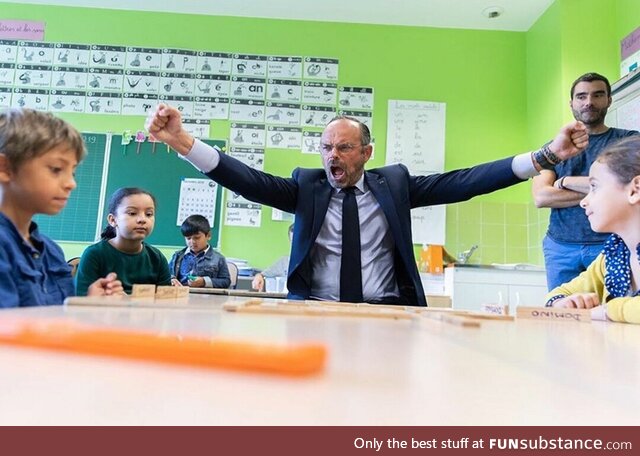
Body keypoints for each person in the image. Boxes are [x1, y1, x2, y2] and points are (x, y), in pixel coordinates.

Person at [146, 103, 588, 306]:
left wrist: (544, 157)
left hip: (389, 311)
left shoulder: (394, 185)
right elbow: (248, 181)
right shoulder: (307, 186)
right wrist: (184, 142)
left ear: (366, 152)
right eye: (325, 147)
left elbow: (464, 181)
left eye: (343, 147)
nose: (332, 156)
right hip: (316, 308)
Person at [0, 108, 122, 307]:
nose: (71, 183)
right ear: (4, 168)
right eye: (56, 169)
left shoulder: (51, 251)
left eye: (72, 172)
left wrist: (86, 305)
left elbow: (59, 318)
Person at [532, 72, 639, 290]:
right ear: (571, 103)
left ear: (609, 100)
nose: (589, 102)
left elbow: (631, 188)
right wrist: (606, 191)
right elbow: (541, 196)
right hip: (559, 247)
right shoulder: (553, 148)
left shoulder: (629, 141)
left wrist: (565, 181)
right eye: (581, 96)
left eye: (597, 95)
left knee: (611, 313)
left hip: (610, 244)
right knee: (561, 309)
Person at [545, 136, 640, 324]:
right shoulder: (612, 257)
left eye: (594, 187)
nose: (583, 201)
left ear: (635, 190)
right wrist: (565, 303)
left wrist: (607, 311)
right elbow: (559, 293)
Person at [75, 187, 172, 295]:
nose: (142, 219)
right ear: (113, 220)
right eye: (132, 213)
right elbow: (80, 298)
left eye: (149, 214)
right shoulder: (94, 254)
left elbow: (166, 301)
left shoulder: (157, 258)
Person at [169, 214, 231, 288]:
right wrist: (172, 280)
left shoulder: (218, 259)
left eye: (197, 238)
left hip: (207, 297)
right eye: (188, 238)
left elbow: (226, 281)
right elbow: (167, 275)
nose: (192, 242)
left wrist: (204, 282)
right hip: (182, 295)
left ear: (208, 236)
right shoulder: (178, 256)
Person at [251, 223, 293, 291]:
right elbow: (262, 274)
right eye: (292, 241)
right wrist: (258, 276)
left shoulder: (313, 261)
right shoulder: (284, 261)